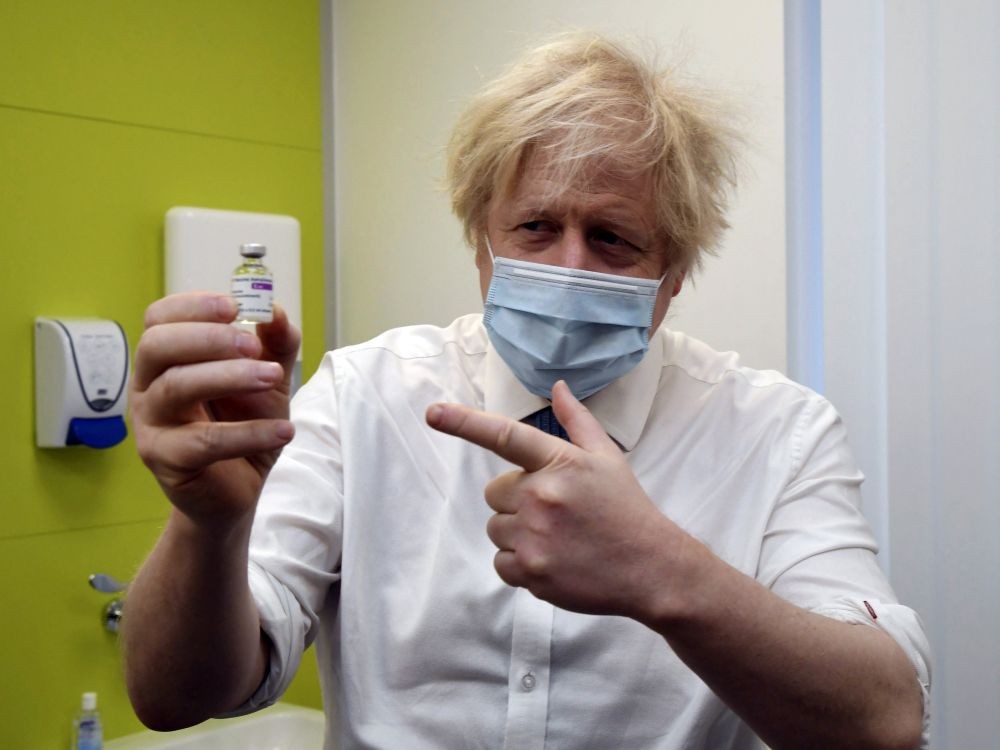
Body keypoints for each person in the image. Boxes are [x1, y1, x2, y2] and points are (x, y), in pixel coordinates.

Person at [124, 32, 930, 749]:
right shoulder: (362, 397)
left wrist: (666, 573)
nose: (568, 268)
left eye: (612, 239)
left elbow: (885, 719)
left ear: (674, 274)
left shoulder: (777, 434)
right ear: (482, 241)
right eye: (536, 228)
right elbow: (174, 700)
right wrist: (209, 528)